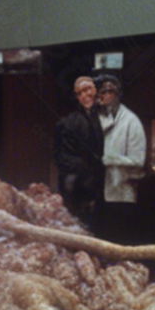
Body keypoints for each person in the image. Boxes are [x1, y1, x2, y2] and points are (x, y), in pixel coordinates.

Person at [94, 74, 146, 240]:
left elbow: (138, 160)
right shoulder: (99, 118)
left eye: (110, 91)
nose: (106, 96)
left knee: (120, 239)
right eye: (102, 92)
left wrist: (110, 159)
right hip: (99, 191)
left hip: (122, 192)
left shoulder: (131, 121)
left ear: (118, 94)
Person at [54, 75, 103, 225]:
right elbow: (62, 157)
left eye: (87, 89)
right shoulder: (69, 123)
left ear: (96, 90)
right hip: (83, 181)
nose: (84, 95)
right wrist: (87, 169)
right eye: (79, 93)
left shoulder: (108, 114)